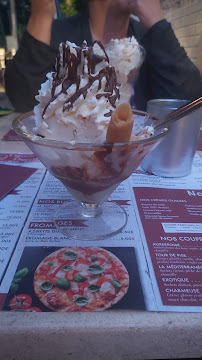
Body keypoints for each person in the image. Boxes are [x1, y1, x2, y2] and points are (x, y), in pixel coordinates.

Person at [4, 0, 202, 113]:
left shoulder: (152, 39)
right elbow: (25, 101)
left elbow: (189, 102)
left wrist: (157, 21)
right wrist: (42, 12)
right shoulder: (58, 37)